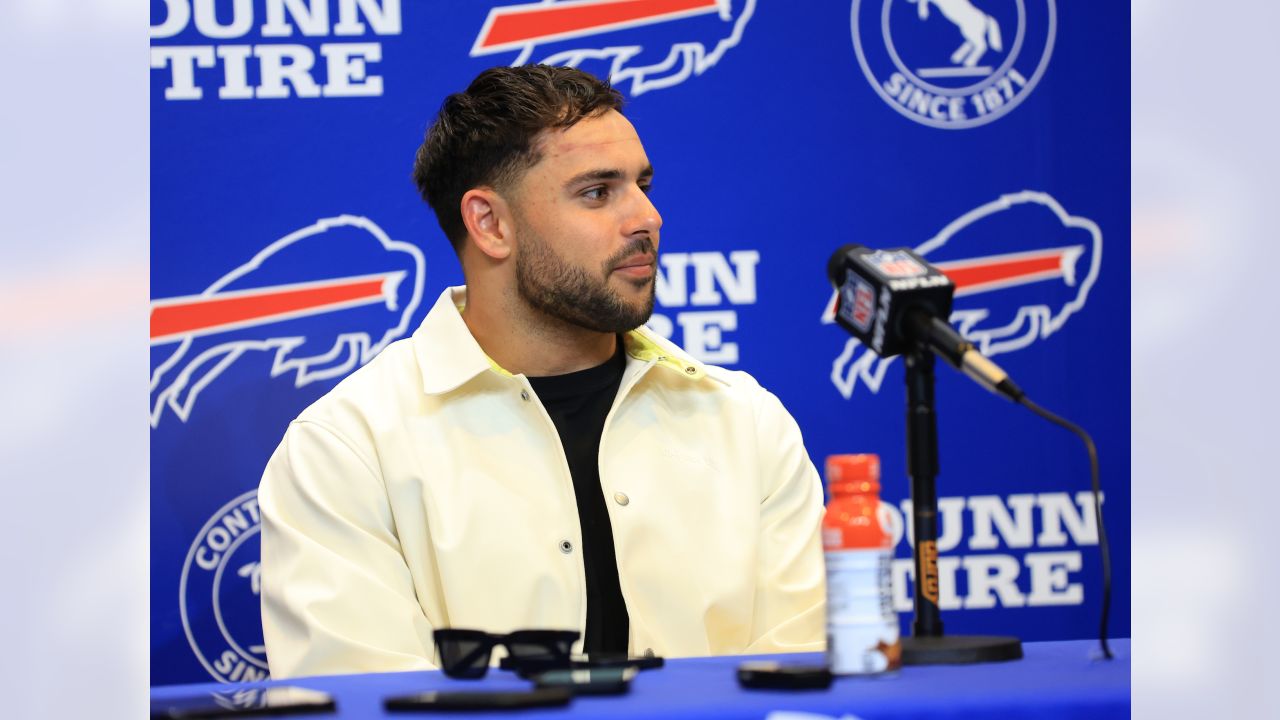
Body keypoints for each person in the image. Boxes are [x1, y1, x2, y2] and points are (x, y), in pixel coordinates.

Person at [258, 65, 825, 680]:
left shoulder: (745, 422)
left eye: (643, 184)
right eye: (597, 192)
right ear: (489, 224)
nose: (647, 218)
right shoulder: (346, 451)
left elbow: (802, 677)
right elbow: (361, 701)